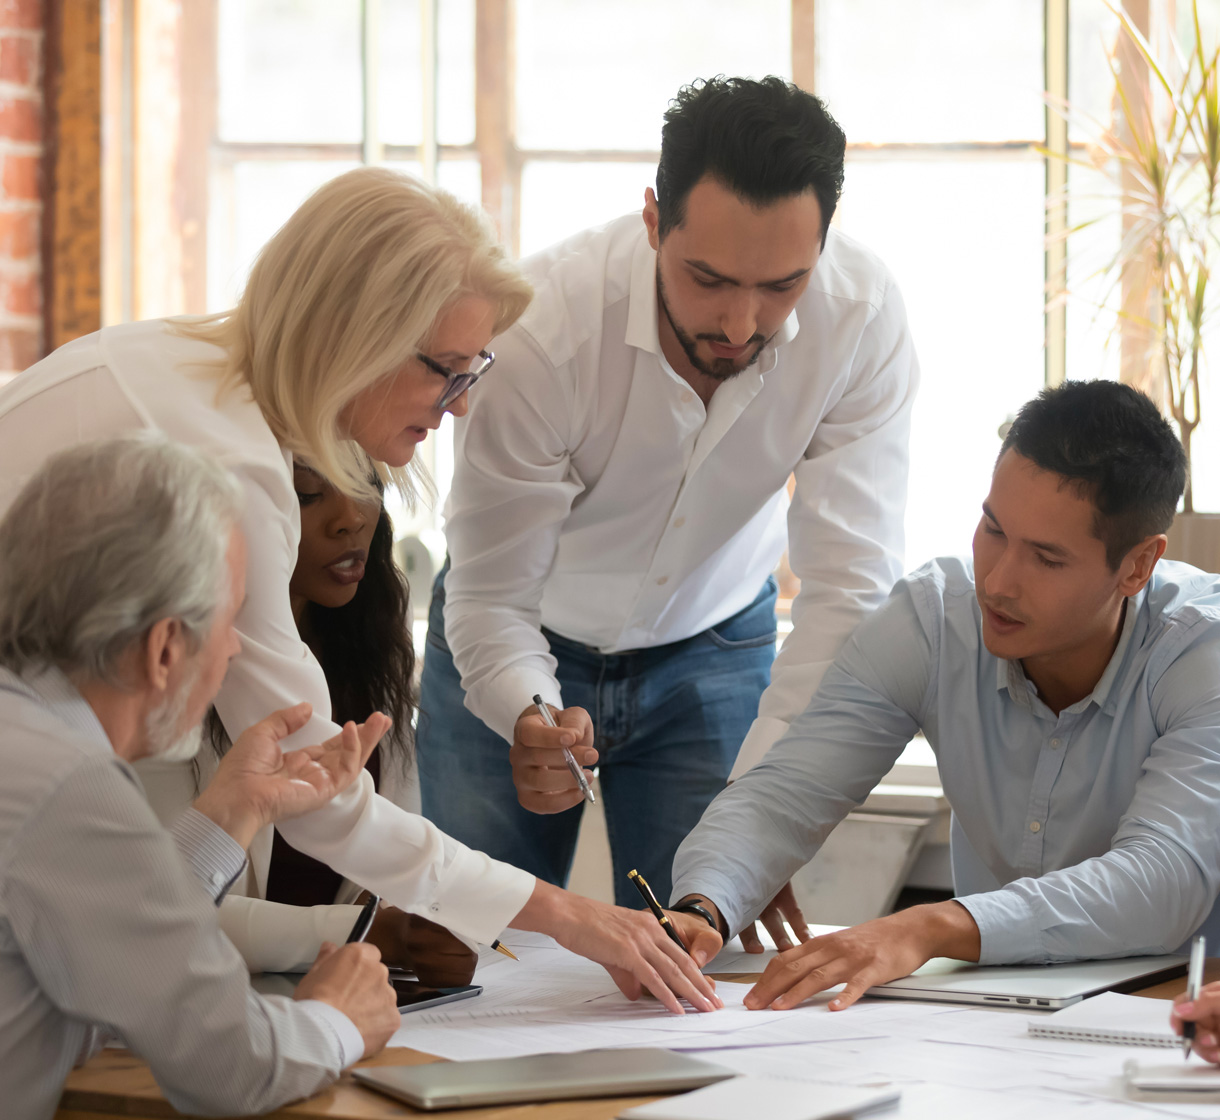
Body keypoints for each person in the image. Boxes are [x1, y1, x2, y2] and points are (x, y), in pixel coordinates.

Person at [0, 167, 721, 1013]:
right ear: (357, 335)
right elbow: (315, 793)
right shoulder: (233, 471)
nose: (458, 407)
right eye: (447, 371)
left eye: (474, 372)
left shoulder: (172, 360)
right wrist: (571, 917)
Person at [416, 75, 919, 939]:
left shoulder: (862, 321)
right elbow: (493, 593)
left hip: (715, 644)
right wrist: (527, 713)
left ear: (824, 244)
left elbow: (851, 589)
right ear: (654, 219)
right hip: (516, 637)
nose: (741, 323)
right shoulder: (541, 330)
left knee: (698, 958)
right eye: (708, 279)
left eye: (783, 285)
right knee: (471, 948)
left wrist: (768, 807)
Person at [665, 379, 1220, 1013]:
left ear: (1138, 566)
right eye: (994, 529)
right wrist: (703, 906)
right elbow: (785, 794)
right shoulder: (933, 620)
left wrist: (930, 926)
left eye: (1046, 559)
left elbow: (1164, 880)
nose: (999, 582)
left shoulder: (1200, 652)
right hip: (983, 1011)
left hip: (1178, 1014)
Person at [0, 436, 402, 1119]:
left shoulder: (31, 745)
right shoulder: (70, 787)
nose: (236, 647)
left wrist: (230, 814)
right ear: (164, 649)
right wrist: (337, 1018)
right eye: (231, 617)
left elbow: (123, 953)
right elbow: (231, 1065)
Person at [140, 463, 474, 983]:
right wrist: (369, 933)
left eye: (366, 487)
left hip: (326, 990)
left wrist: (404, 915)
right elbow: (159, 906)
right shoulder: (177, 660)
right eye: (308, 495)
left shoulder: (375, 637)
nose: (351, 519)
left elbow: (387, 849)